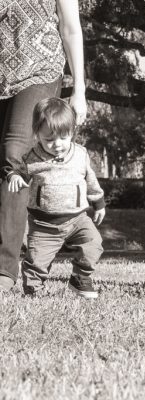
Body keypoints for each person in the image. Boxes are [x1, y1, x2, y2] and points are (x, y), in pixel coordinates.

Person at [0, 0, 87, 291]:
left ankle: (4, 269)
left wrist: (79, 89)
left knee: (14, 153)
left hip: (39, 68)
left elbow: (71, 29)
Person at [7, 97, 105, 298]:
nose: (57, 145)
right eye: (49, 140)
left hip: (78, 219)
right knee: (37, 260)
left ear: (72, 132)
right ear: (37, 135)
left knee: (93, 244)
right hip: (44, 225)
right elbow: (18, 170)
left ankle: (80, 278)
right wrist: (14, 176)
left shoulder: (80, 155)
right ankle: (34, 290)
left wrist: (98, 203)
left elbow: (91, 180)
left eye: (63, 137)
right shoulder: (33, 158)